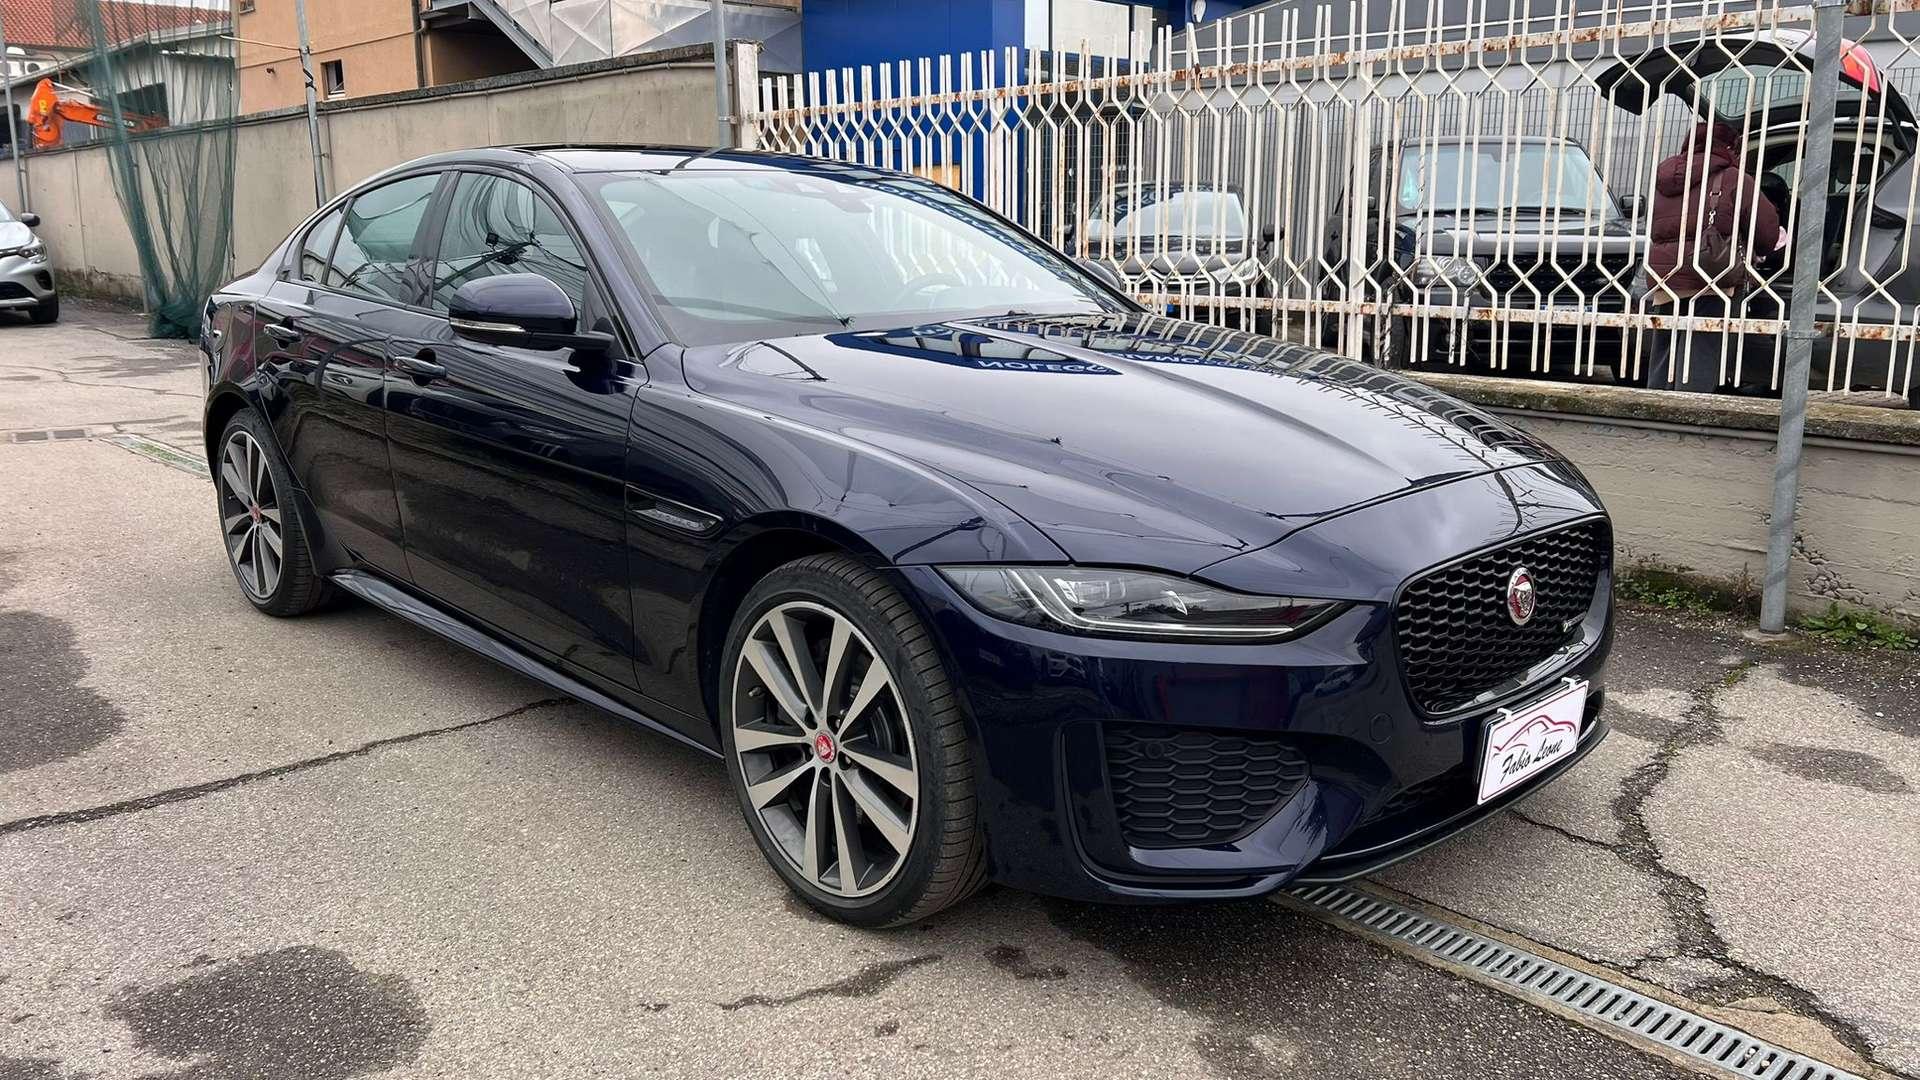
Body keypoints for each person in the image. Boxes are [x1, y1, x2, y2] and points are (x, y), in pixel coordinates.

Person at [1644, 120, 1784, 392]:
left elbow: (1655, 226)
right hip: (1712, 277)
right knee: (1701, 353)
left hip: (1665, 277)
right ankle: (1689, 410)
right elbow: (1766, 232)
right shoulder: (1734, 178)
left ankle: (1656, 407)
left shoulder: (1664, 178)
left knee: (1665, 352)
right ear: (1730, 147)